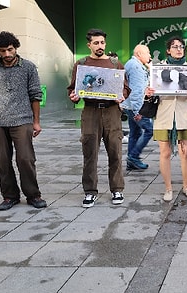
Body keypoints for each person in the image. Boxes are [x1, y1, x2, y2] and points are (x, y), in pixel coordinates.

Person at [0, 31, 47, 211]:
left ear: (16, 48)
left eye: (10, 49)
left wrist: (36, 121)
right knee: (3, 161)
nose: (7, 54)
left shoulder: (29, 67)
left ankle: (33, 194)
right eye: (2, 51)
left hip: (22, 120)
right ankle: (9, 196)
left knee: (26, 159)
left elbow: (35, 95)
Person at [67, 28, 129, 208]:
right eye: (96, 43)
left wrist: (122, 95)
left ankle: (117, 189)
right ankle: (90, 192)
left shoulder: (115, 63)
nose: (100, 46)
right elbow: (73, 88)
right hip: (90, 111)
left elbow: (125, 87)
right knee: (89, 153)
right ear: (89, 45)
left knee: (115, 151)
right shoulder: (82, 64)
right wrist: (74, 95)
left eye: (102, 42)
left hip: (111, 111)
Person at [153, 36, 187, 202]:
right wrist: (149, 92)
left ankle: (186, 186)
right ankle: (168, 188)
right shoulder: (158, 69)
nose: (179, 49)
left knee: (185, 153)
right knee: (165, 152)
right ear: (168, 50)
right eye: (175, 46)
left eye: (181, 47)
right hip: (164, 114)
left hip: (184, 115)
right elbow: (151, 93)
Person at [122, 44, 155, 171]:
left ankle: (131, 161)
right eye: (148, 53)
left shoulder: (133, 64)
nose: (150, 56)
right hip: (135, 107)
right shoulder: (136, 67)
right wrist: (138, 112)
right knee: (149, 130)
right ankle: (133, 157)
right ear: (139, 54)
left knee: (135, 133)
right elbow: (136, 91)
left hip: (129, 106)